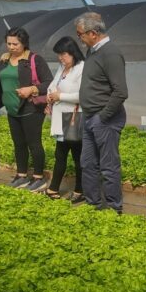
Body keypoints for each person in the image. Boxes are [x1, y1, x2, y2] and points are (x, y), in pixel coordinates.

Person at [75, 12, 128, 213]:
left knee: (108, 166)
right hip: (90, 117)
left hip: (105, 119)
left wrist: (102, 117)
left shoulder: (111, 53)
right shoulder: (93, 51)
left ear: (93, 33)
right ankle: (93, 205)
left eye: (80, 34)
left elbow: (121, 91)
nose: (79, 38)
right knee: (87, 163)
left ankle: (114, 209)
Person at [0, 27, 53, 192]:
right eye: (9, 43)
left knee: (34, 144)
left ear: (24, 43)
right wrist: (1, 63)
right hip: (12, 110)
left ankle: (39, 178)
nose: (11, 47)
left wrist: (31, 89)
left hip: (31, 108)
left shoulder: (34, 60)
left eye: (15, 44)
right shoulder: (5, 59)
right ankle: (21, 176)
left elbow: (49, 82)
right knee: (18, 144)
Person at [44, 36, 86, 204]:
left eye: (63, 54)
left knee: (76, 156)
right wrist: (50, 96)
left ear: (73, 52)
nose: (61, 58)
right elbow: (53, 85)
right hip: (61, 117)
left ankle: (78, 190)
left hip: (74, 117)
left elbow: (83, 95)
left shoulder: (82, 68)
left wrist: (59, 95)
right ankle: (55, 189)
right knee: (61, 154)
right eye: (59, 54)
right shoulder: (62, 68)